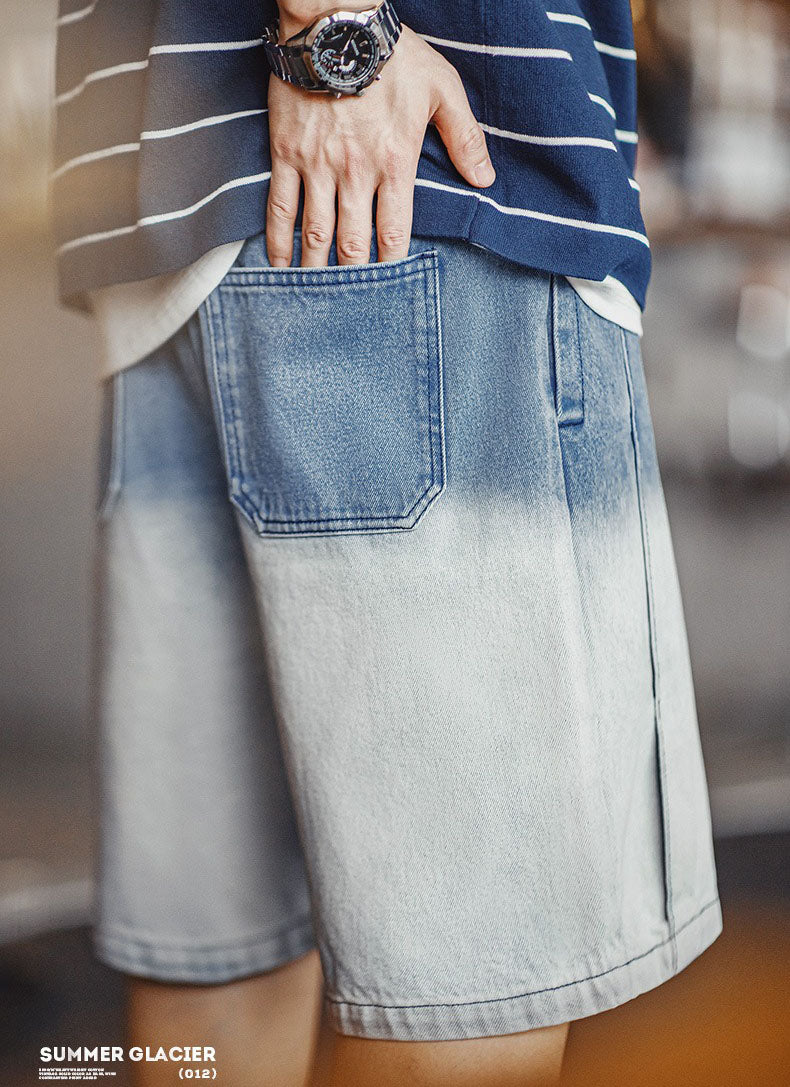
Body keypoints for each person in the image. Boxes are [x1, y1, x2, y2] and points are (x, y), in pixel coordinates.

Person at [53, 1, 722, 1084]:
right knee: (471, 997)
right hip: (405, 199)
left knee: (223, 964)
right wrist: (336, 42)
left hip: (180, 213)